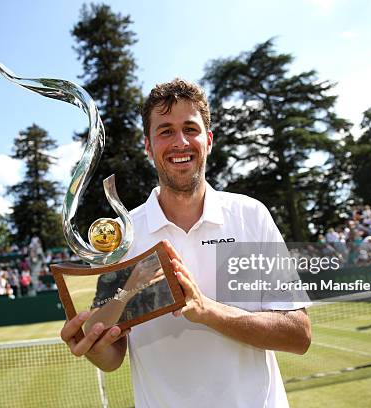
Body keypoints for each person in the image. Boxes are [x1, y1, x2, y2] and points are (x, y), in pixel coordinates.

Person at [60, 79, 311, 407]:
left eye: (189, 129)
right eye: (165, 131)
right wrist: (90, 343)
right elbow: (112, 356)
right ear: (148, 147)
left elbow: (298, 333)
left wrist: (209, 311)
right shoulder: (124, 237)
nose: (180, 142)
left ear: (207, 140)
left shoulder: (251, 216)